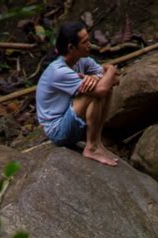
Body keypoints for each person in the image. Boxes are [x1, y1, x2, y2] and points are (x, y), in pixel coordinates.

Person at [36, 21, 120, 166]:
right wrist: (110, 69)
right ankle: (91, 147)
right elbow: (102, 88)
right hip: (58, 131)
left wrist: (96, 77)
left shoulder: (82, 61)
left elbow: (115, 81)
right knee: (92, 92)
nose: (90, 44)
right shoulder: (58, 71)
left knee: (102, 88)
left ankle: (97, 143)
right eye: (85, 42)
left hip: (74, 122)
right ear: (71, 47)